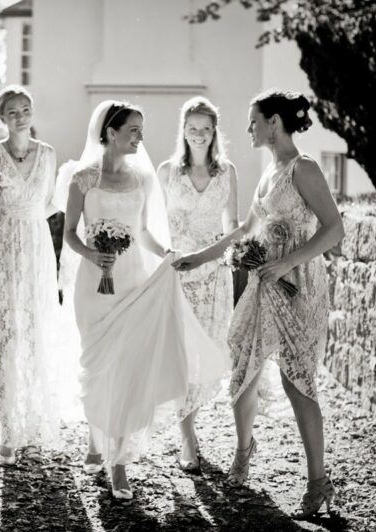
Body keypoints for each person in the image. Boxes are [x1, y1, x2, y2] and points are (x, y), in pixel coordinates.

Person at [172, 88, 345, 518]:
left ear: (273, 123)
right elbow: (244, 231)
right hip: (263, 285)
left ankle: (317, 483)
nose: (247, 128)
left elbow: (334, 229)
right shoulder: (269, 172)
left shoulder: (303, 169)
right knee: (243, 368)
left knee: (296, 380)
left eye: (253, 120)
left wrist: (288, 262)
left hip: (299, 285)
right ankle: (244, 450)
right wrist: (199, 258)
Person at [58, 101, 228, 499]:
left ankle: (118, 463)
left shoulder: (141, 180)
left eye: (141, 130)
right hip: (94, 286)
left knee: (127, 368)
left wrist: (166, 254)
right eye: (133, 130)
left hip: (133, 279)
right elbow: (68, 233)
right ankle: (96, 438)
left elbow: (143, 234)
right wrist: (91, 254)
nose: (140, 138)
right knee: (100, 366)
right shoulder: (81, 179)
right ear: (110, 132)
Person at [0, 86, 62, 466]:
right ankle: (8, 433)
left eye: (25, 109)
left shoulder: (49, 155)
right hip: (1, 249)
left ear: (32, 112)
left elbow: (51, 202)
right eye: (12, 112)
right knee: (5, 343)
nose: (20, 116)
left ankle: (32, 426)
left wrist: (28, 220)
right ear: (2, 117)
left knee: (35, 340)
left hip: (35, 251)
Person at [157, 96, 237, 473]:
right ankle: (188, 437)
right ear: (183, 131)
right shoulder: (167, 171)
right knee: (182, 355)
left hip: (214, 276)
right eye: (193, 128)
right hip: (177, 274)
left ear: (214, 131)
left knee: (208, 355)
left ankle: (191, 423)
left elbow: (232, 228)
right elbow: (156, 226)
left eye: (206, 128)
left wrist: (210, 256)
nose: (200, 134)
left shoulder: (228, 172)